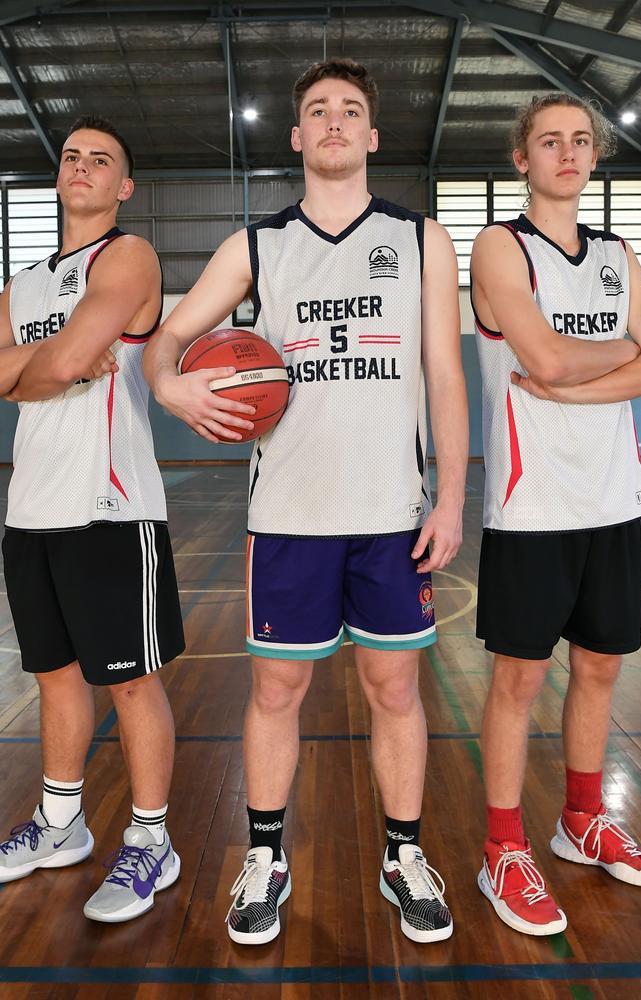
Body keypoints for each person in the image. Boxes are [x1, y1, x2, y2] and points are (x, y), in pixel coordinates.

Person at [143, 58, 467, 945]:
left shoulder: (421, 238)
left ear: (371, 135)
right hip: (287, 515)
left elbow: (446, 373)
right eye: (317, 110)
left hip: (394, 511)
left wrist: (452, 497)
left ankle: (403, 856)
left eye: (349, 110)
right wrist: (171, 390)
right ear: (295, 136)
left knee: (394, 688)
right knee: (277, 689)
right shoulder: (255, 246)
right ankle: (265, 856)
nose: (332, 121)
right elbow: (166, 342)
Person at [471, 93, 641, 937]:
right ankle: (502, 846)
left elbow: (612, 367)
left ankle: (582, 817)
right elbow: (538, 355)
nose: (569, 153)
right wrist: (622, 352)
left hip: (615, 499)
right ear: (523, 158)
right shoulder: (500, 247)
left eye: (582, 141)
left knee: (603, 669)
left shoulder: (618, 254)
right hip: (530, 505)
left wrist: (581, 373)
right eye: (551, 141)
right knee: (519, 681)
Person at [0, 116, 185, 922]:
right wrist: (59, 364)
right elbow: (58, 362)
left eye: (100, 159)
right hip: (30, 507)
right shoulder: (24, 281)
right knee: (53, 678)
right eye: (71, 157)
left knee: (134, 686)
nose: (81, 167)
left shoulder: (130, 256)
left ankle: (152, 839)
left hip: (110, 507)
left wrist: (42, 369)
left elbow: (72, 361)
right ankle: (60, 823)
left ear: (123, 186)